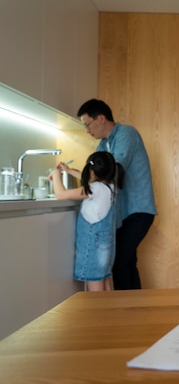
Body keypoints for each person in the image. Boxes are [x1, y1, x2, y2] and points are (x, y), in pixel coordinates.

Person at [60, 98, 157, 290]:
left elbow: (112, 171)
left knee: (120, 262)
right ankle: (133, 310)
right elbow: (98, 177)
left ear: (101, 118)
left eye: (88, 125)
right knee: (126, 262)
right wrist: (71, 171)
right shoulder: (103, 146)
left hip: (138, 210)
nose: (87, 130)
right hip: (121, 214)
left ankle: (124, 311)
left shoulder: (126, 134)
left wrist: (79, 183)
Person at [50, 152, 125, 291]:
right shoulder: (110, 187)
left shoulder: (95, 190)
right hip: (106, 249)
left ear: (91, 171)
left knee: (95, 291)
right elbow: (91, 181)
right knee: (106, 283)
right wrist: (69, 170)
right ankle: (112, 312)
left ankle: (99, 313)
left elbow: (61, 194)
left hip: (94, 249)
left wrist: (55, 174)